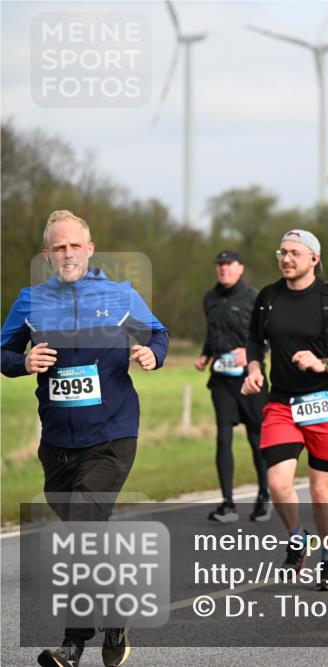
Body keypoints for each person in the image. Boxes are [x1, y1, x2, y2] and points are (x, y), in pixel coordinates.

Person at [1, 210, 169, 667]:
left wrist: (151, 355)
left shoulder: (119, 294)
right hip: (57, 442)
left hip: (111, 435)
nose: (68, 254)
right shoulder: (30, 301)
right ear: (47, 254)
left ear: (90, 250)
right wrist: (23, 362)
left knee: (77, 531)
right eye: (59, 247)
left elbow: (158, 333)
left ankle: (72, 643)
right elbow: (3, 352)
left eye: (75, 246)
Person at [241, 229, 328, 591]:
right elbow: (254, 340)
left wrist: (323, 364)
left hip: (326, 404)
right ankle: (298, 538)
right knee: (278, 483)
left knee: (320, 488)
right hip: (282, 404)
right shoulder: (268, 297)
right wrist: (254, 369)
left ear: (314, 258)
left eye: (295, 253)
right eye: (282, 252)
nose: (286, 258)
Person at [195, 250, 270, 522]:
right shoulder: (210, 298)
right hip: (221, 380)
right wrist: (205, 354)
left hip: (250, 377)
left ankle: (264, 496)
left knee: (256, 437)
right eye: (220, 265)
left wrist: (249, 353)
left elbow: (269, 335)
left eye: (229, 265)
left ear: (241, 268)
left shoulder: (254, 297)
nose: (224, 269)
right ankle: (227, 504)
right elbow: (212, 332)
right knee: (223, 436)